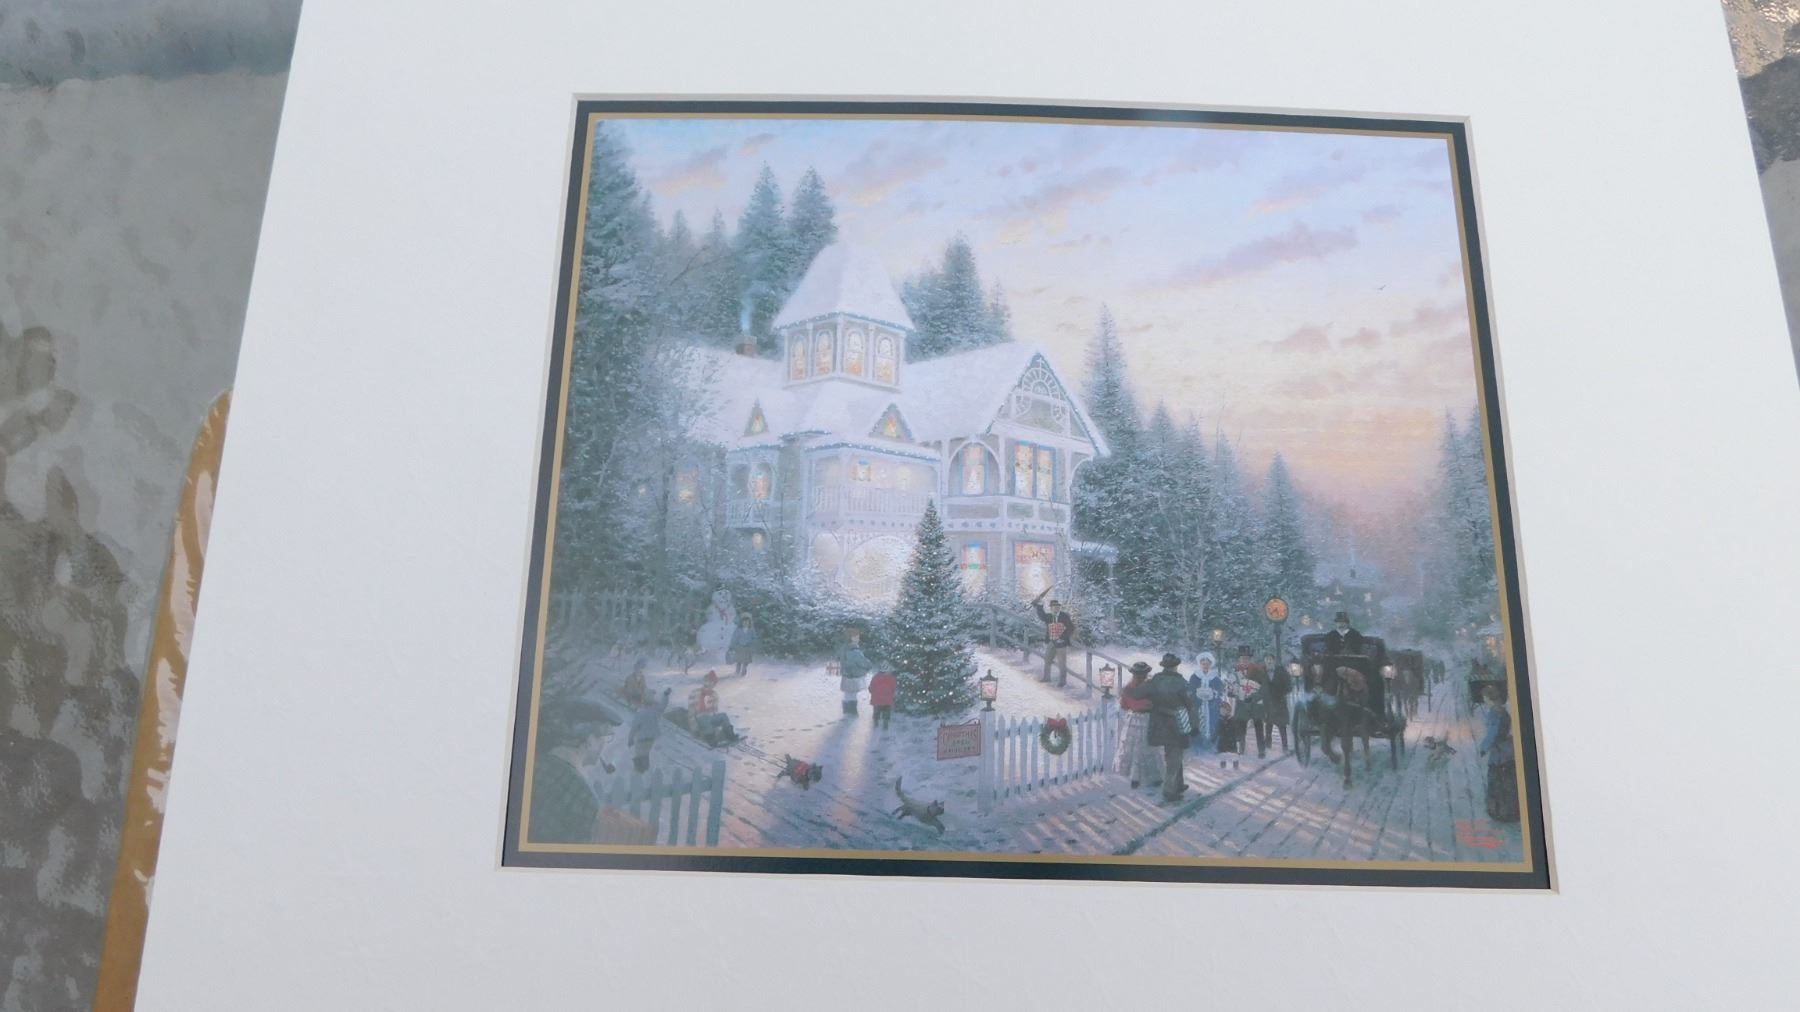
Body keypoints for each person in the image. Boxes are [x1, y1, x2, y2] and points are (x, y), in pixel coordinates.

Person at [528, 702, 615, 843]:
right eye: (607, 737)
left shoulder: (533, 764)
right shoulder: (585, 797)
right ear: (590, 740)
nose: (605, 745)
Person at [1127, 653, 1199, 803]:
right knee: (1175, 756)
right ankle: (1169, 790)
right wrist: (1195, 725)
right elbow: (1191, 705)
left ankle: (1178, 784)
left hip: (1159, 724)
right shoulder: (1181, 683)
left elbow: (1136, 694)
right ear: (1176, 666)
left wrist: (1133, 684)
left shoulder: (1156, 680)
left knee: (1171, 753)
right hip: (1177, 723)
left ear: (1164, 666)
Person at [1113, 661, 1160, 789]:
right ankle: (1152, 777)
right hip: (1147, 719)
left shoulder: (1128, 688)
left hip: (1133, 719)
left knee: (1133, 748)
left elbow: (1123, 705)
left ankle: (1135, 778)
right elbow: (1156, 703)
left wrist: (1134, 706)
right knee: (1147, 748)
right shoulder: (1151, 687)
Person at [1477, 685, 1519, 822]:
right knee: (1508, 780)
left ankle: (1500, 812)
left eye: (1484, 697)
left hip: (1499, 753)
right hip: (1508, 749)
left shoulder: (1494, 713)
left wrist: (1483, 748)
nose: (1484, 700)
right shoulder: (1503, 711)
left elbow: (1492, 734)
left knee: (1497, 780)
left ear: (1489, 698)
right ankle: (1512, 811)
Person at [1032, 596, 1078, 686]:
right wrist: (1038, 606)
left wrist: (1062, 638)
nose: (1055, 608)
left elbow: (1071, 628)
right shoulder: (1049, 616)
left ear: (1059, 607)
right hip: (1051, 641)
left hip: (1061, 643)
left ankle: (1062, 682)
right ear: (1051, 608)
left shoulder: (1064, 616)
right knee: (1047, 659)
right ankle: (1046, 678)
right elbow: (1042, 616)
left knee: (1062, 663)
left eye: (1057, 606)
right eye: (1053, 607)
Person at [687, 670, 738, 746]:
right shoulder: (695, 692)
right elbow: (691, 712)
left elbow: (715, 711)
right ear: (705, 681)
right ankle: (710, 739)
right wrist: (694, 728)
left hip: (710, 718)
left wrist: (717, 727)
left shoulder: (714, 695)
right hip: (700, 718)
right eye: (708, 681)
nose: (710, 684)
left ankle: (730, 735)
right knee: (705, 719)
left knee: (723, 716)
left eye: (713, 682)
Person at [627, 686, 671, 773]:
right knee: (645, 754)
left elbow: (634, 728)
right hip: (651, 738)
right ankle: (644, 768)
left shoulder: (641, 713)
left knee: (640, 755)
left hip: (641, 739)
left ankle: (639, 770)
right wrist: (665, 695)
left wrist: (630, 739)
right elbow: (663, 705)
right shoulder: (656, 710)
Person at [837, 627, 872, 717]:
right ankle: (852, 712)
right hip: (854, 674)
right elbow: (862, 662)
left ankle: (847, 710)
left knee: (847, 693)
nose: (858, 639)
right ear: (852, 638)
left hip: (846, 674)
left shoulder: (844, 648)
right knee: (852, 694)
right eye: (857, 637)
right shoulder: (854, 650)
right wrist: (868, 665)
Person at [1189, 651, 1217, 749]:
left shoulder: (1214, 677)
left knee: (1211, 723)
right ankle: (1198, 744)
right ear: (1200, 664)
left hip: (1210, 706)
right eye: (1203, 664)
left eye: (1207, 664)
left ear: (1210, 665)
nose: (1205, 666)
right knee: (1198, 722)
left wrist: (1213, 693)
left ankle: (1210, 743)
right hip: (1198, 705)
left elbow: (1219, 689)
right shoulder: (1195, 676)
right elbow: (1191, 689)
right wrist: (1197, 694)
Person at [728, 612, 758, 678]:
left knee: (746, 660)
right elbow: (734, 638)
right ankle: (737, 671)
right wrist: (731, 646)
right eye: (744, 621)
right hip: (740, 647)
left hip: (748, 647)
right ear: (741, 622)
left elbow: (754, 638)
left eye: (747, 621)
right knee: (739, 660)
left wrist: (752, 644)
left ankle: (744, 670)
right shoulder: (738, 630)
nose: (745, 623)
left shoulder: (751, 630)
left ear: (749, 622)